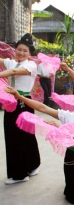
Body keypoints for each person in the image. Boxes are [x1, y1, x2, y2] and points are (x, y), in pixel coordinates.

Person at [5, 85, 74, 204]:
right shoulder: (68, 116)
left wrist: (59, 128)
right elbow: (43, 108)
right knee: (72, 192)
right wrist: (20, 96)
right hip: (71, 155)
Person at [0, 33, 40, 185]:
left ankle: (20, 174)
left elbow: (14, 72)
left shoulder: (31, 65)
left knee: (22, 137)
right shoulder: (12, 63)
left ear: (30, 53)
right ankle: (33, 165)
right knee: (15, 137)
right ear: (15, 50)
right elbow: (6, 64)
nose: (21, 53)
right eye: (19, 50)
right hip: (11, 102)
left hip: (23, 102)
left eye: (25, 51)